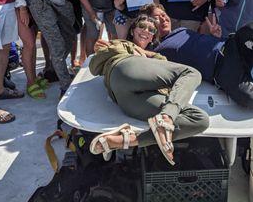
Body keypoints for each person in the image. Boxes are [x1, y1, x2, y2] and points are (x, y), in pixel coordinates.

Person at [89, 15, 209, 165]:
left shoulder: (159, 59)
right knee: (192, 73)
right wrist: (104, 50)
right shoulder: (120, 44)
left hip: (127, 99)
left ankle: (124, 140)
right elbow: (93, 68)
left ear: (153, 37)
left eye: (151, 29)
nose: (146, 30)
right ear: (132, 31)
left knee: (199, 120)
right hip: (123, 69)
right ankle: (166, 117)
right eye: (142, 26)